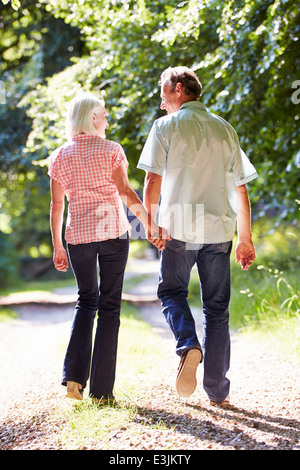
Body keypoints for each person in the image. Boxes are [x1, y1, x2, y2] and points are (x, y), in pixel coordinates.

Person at [137, 66, 258, 406]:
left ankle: (188, 344)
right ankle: (218, 390)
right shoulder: (225, 129)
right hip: (219, 230)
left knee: (172, 292)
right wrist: (246, 237)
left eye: (164, 92)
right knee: (217, 309)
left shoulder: (165, 127)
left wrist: (151, 222)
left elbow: (152, 181)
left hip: (178, 228)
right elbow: (240, 189)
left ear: (178, 88)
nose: (162, 101)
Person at [48, 92, 165, 402]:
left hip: (78, 238)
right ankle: (102, 392)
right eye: (104, 114)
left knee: (86, 301)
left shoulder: (59, 156)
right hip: (112, 233)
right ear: (93, 118)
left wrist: (58, 245)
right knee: (109, 307)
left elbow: (57, 205)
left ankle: (74, 379)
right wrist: (150, 225)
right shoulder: (112, 150)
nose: (108, 120)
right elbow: (126, 192)